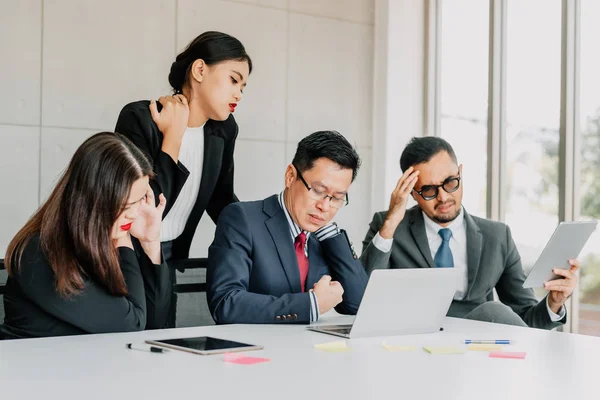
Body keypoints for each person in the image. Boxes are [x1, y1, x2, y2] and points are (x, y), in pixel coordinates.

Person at [360, 136, 579, 329]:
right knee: (495, 311)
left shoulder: (497, 236)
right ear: (413, 193)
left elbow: (526, 320)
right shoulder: (388, 225)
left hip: (477, 347)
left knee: (495, 312)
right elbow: (361, 296)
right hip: (412, 341)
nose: (443, 197)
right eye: (428, 190)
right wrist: (390, 223)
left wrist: (554, 303)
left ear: (460, 174)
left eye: (450, 183)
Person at [115, 31, 252, 326]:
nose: (239, 94)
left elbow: (221, 199)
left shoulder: (224, 131)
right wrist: (173, 137)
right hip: (126, 256)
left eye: (243, 86)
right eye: (233, 79)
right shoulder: (140, 118)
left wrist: (257, 236)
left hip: (172, 256)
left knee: (161, 341)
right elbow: (144, 204)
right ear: (200, 70)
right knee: (129, 340)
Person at [0, 132, 170, 339]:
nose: (134, 213)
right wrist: (124, 242)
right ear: (94, 199)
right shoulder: (39, 252)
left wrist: (150, 243)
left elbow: (154, 322)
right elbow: (130, 326)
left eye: (139, 201)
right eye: (127, 204)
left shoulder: (105, 242)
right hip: (34, 368)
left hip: (86, 366)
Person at [207, 131, 368, 324]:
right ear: (290, 176)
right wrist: (310, 304)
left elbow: (358, 304)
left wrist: (330, 234)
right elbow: (225, 303)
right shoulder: (242, 219)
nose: (325, 206)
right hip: (257, 349)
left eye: (337, 198)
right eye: (318, 191)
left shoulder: (322, 237)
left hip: (307, 350)